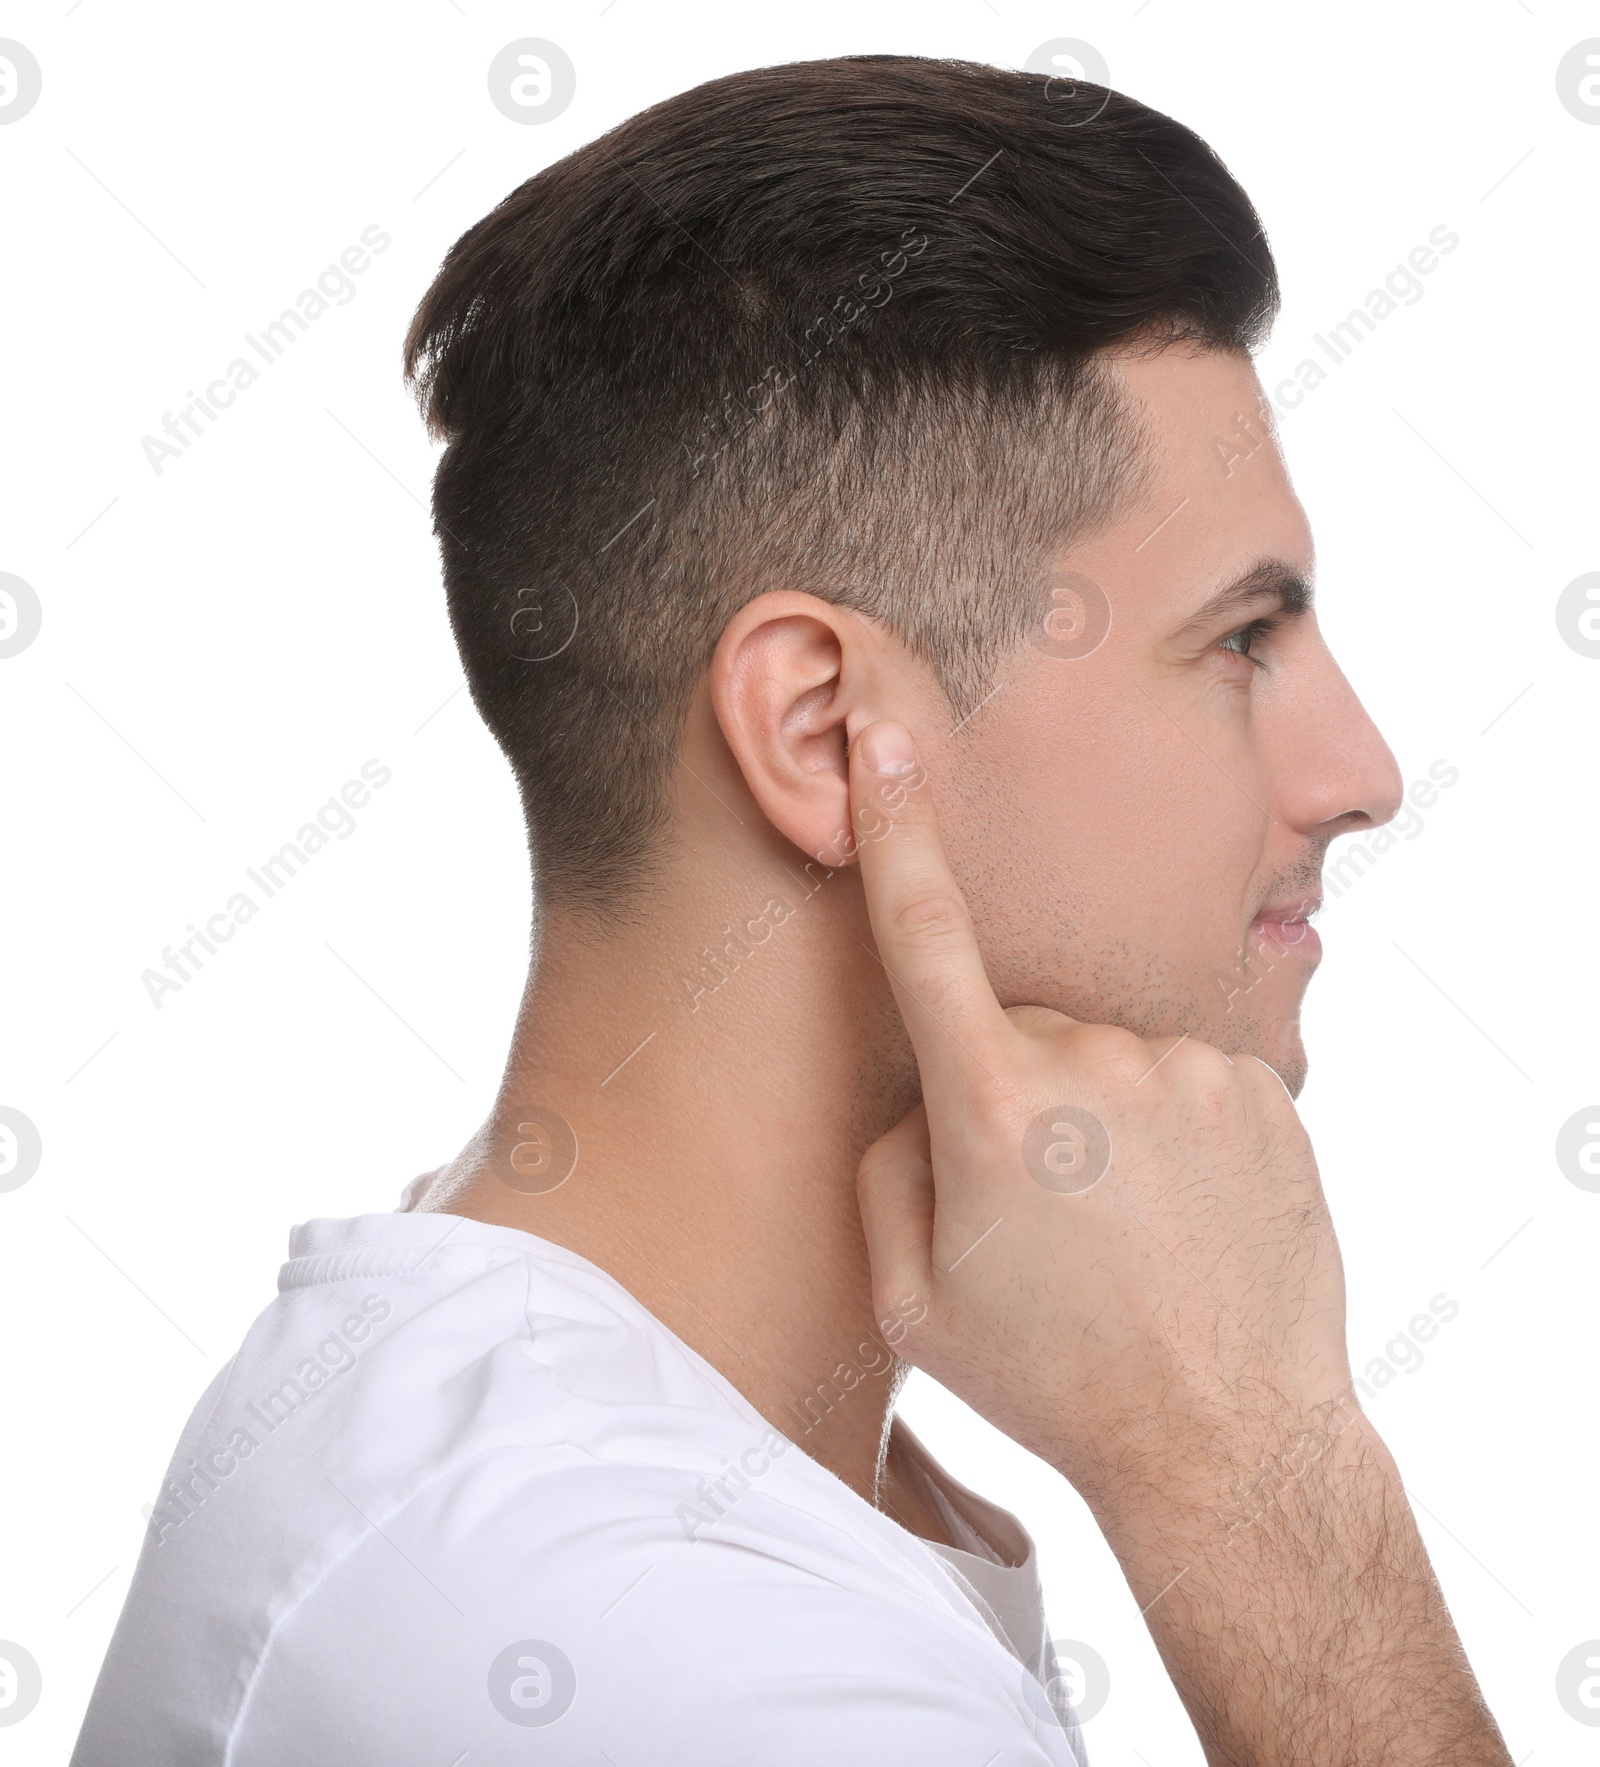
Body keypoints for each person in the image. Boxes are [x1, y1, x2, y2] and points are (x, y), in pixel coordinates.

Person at [75, 54, 1511, 1765]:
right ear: (827, 735)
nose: (1360, 771)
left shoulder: (564, 1450)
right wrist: (1259, 1474)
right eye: (1242, 642)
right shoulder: (653, 1650)